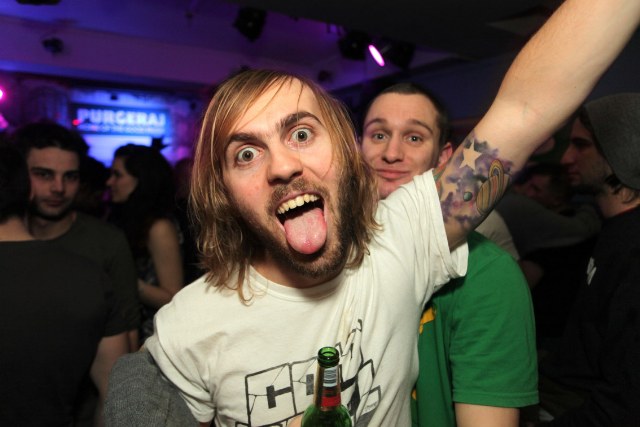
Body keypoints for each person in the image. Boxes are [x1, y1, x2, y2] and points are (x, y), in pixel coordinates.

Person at [107, 1, 640, 425]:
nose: (283, 166)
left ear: (346, 152)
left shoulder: (400, 247)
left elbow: (526, 108)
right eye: (246, 154)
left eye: (301, 133)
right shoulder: (189, 326)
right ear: (223, 193)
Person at [360, 82, 538, 427]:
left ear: (444, 157)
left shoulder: (487, 274)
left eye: (414, 137)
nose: (392, 153)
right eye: (378, 135)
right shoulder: (327, 257)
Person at [527, 93, 640, 426]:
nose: (566, 158)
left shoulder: (634, 243)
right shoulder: (614, 229)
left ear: (619, 151)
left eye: (581, 145)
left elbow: (626, 403)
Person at [0, 142, 128, 426]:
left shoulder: (105, 245)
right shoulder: (89, 277)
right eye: (43, 174)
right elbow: (116, 395)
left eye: (70, 176)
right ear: (28, 189)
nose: (58, 188)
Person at [106, 143, 184, 344]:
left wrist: (123, 279)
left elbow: (172, 298)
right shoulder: (122, 218)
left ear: (141, 180)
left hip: (150, 338)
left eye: (117, 175)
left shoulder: (159, 228)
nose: (109, 182)